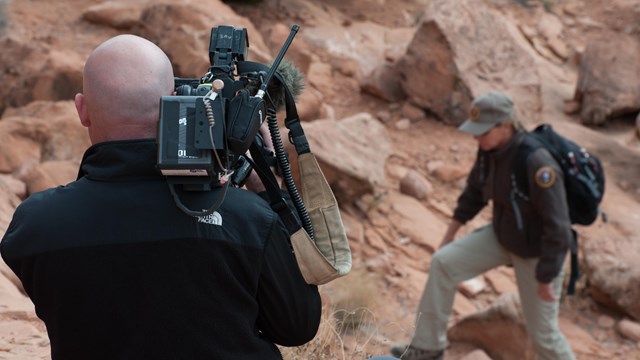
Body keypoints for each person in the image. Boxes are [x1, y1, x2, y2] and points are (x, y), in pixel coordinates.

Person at [0, 34, 321, 360]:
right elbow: (298, 326)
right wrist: (265, 185)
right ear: (176, 102)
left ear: (82, 110)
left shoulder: (36, 225)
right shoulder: (248, 221)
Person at [390, 91, 575, 360]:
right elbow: (473, 194)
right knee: (443, 262)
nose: (476, 137)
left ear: (505, 125)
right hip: (503, 236)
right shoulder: (490, 151)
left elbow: (559, 227)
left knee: (543, 336)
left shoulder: (537, 163)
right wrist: (449, 234)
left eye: (483, 131)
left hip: (537, 252)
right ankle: (427, 348)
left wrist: (547, 276)